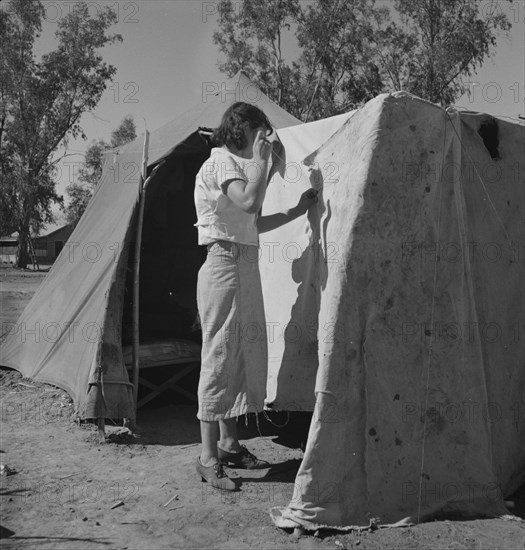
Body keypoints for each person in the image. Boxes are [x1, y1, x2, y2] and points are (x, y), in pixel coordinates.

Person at [194, 102, 318, 491]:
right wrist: (263, 162)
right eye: (261, 132)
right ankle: (207, 457)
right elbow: (249, 201)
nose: (265, 140)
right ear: (243, 129)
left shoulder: (238, 167)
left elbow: (253, 220)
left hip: (243, 265)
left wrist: (298, 210)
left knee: (239, 355)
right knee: (218, 357)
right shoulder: (220, 162)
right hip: (224, 264)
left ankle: (230, 445)